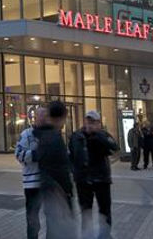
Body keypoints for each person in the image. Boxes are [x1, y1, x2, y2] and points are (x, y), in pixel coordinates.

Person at [70, 110, 119, 239]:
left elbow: (114, 148)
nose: (90, 124)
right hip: (83, 180)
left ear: (99, 123)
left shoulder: (103, 135)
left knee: (104, 210)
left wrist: (98, 134)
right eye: (88, 121)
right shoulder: (76, 136)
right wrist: (74, 171)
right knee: (85, 211)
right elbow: (71, 155)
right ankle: (87, 235)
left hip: (101, 179)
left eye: (93, 122)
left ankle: (105, 235)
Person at [35, 101, 76, 239]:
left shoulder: (51, 135)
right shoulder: (51, 138)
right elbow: (46, 168)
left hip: (58, 196)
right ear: (61, 117)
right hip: (58, 197)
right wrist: (58, 192)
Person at [15, 105, 47, 239]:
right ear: (36, 118)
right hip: (32, 183)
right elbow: (18, 154)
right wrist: (35, 155)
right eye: (41, 117)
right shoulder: (26, 134)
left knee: (52, 216)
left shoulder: (51, 134)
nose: (44, 120)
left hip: (48, 182)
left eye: (46, 117)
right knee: (33, 218)